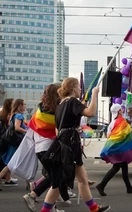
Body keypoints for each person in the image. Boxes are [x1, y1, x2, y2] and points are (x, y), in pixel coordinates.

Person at [40, 77, 110, 212]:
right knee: (70, 181)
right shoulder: (73, 101)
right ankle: (94, 209)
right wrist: (95, 94)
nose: (80, 89)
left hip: (62, 143)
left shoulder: (60, 105)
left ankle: (94, 208)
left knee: (74, 180)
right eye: (78, 87)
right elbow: (91, 113)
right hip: (71, 144)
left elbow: (57, 130)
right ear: (73, 89)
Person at [23, 84, 72, 212]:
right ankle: (32, 196)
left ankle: (52, 207)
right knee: (55, 180)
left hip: (39, 149)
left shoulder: (40, 110)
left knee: (53, 179)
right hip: (50, 149)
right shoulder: (57, 110)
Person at [96, 104, 132, 196]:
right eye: (121, 110)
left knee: (124, 167)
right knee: (116, 168)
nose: (122, 111)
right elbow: (126, 133)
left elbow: (109, 136)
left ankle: (129, 187)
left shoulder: (112, 123)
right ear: (118, 111)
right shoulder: (121, 122)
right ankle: (101, 185)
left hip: (116, 148)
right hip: (120, 149)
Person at [0, 98, 28, 186]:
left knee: (10, 162)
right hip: (16, 142)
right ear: (20, 106)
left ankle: (8, 179)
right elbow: (17, 128)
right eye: (23, 104)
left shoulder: (13, 115)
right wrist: (28, 131)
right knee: (11, 163)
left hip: (13, 141)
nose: (25, 106)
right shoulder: (19, 116)